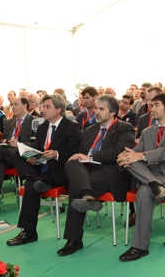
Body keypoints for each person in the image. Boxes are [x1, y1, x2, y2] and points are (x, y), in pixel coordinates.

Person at [57, 95, 135, 256]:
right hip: (88, 172)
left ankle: (74, 240)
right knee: (72, 163)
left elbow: (118, 153)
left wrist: (90, 157)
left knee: (75, 187)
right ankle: (88, 195)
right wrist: (81, 156)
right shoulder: (90, 130)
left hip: (112, 172)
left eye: (101, 109)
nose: (96, 112)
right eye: (95, 109)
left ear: (113, 112)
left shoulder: (124, 128)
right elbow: (82, 153)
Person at [116, 93, 165, 262]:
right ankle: (154, 184)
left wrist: (139, 156)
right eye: (151, 105)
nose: (152, 108)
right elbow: (137, 152)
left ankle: (139, 247)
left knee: (143, 190)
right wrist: (125, 156)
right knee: (128, 160)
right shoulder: (148, 131)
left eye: (156, 105)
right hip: (150, 175)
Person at [7, 94, 81, 246]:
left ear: (59, 109)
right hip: (42, 167)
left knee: (31, 185)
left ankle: (28, 232)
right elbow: (40, 150)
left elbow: (76, 152)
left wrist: (57, 154)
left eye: (47, 107)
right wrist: (33, 157)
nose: (43, 110)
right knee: (16, 156)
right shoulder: (42, 127)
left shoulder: (71, 127)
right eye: (42, 106)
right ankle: (29, 232)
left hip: (61, 169)